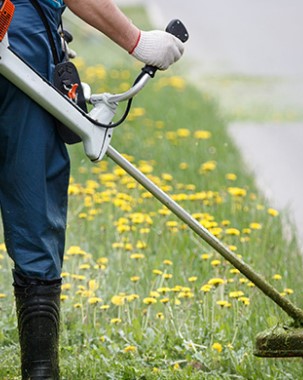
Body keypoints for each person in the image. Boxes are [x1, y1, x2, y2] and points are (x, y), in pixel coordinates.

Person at [0, 0, 184, 378]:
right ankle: (40, 371)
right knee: (32, 199)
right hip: (18, 35)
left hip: (18, 32)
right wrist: (139, 42)